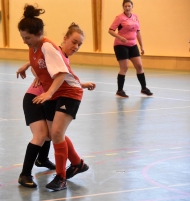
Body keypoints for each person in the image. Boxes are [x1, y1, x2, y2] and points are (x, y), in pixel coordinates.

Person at [17, 5, 94, 191]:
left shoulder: (47, 46)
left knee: (56, 134)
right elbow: (45, 65)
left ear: (39, 33)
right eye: (23, 38)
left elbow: (62, 74)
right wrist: (28, 67)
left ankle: (61, 178)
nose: (25, 41)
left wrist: (48, 93)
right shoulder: (36, 48)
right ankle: (77, 163)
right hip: (55, 93)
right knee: (53, 134)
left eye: (27, 38)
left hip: (68, 93)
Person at [108, 0, 153, 98]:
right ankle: (120, 91)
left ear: (132, 7)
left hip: (133, 45)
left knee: (139, 66)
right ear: (123, 7)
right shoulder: (119, 18)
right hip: (121, 45)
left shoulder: (135, 17)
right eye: (125, 6)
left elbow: (138, 32)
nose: (127, 8)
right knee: (124, 68)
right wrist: (119, 37)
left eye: (129, 6)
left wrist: (142, 46)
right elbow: (110, 30)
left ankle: (144, 88)